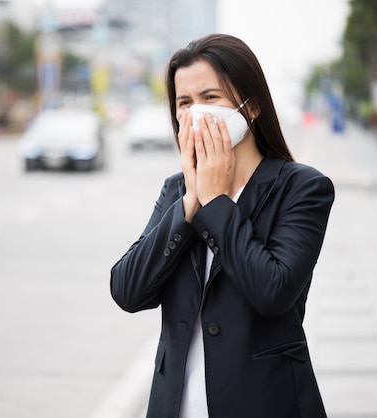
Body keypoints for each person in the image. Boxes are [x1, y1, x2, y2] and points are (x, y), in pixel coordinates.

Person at [110, 33, 334, 417]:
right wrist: (191, 202)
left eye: (210, 98)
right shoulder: (177, 190)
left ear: (252, 107)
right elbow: (128, 291)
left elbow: (273, 290)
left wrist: (215, 202)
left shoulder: (302, 188)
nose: (196, 113)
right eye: (184, 103)